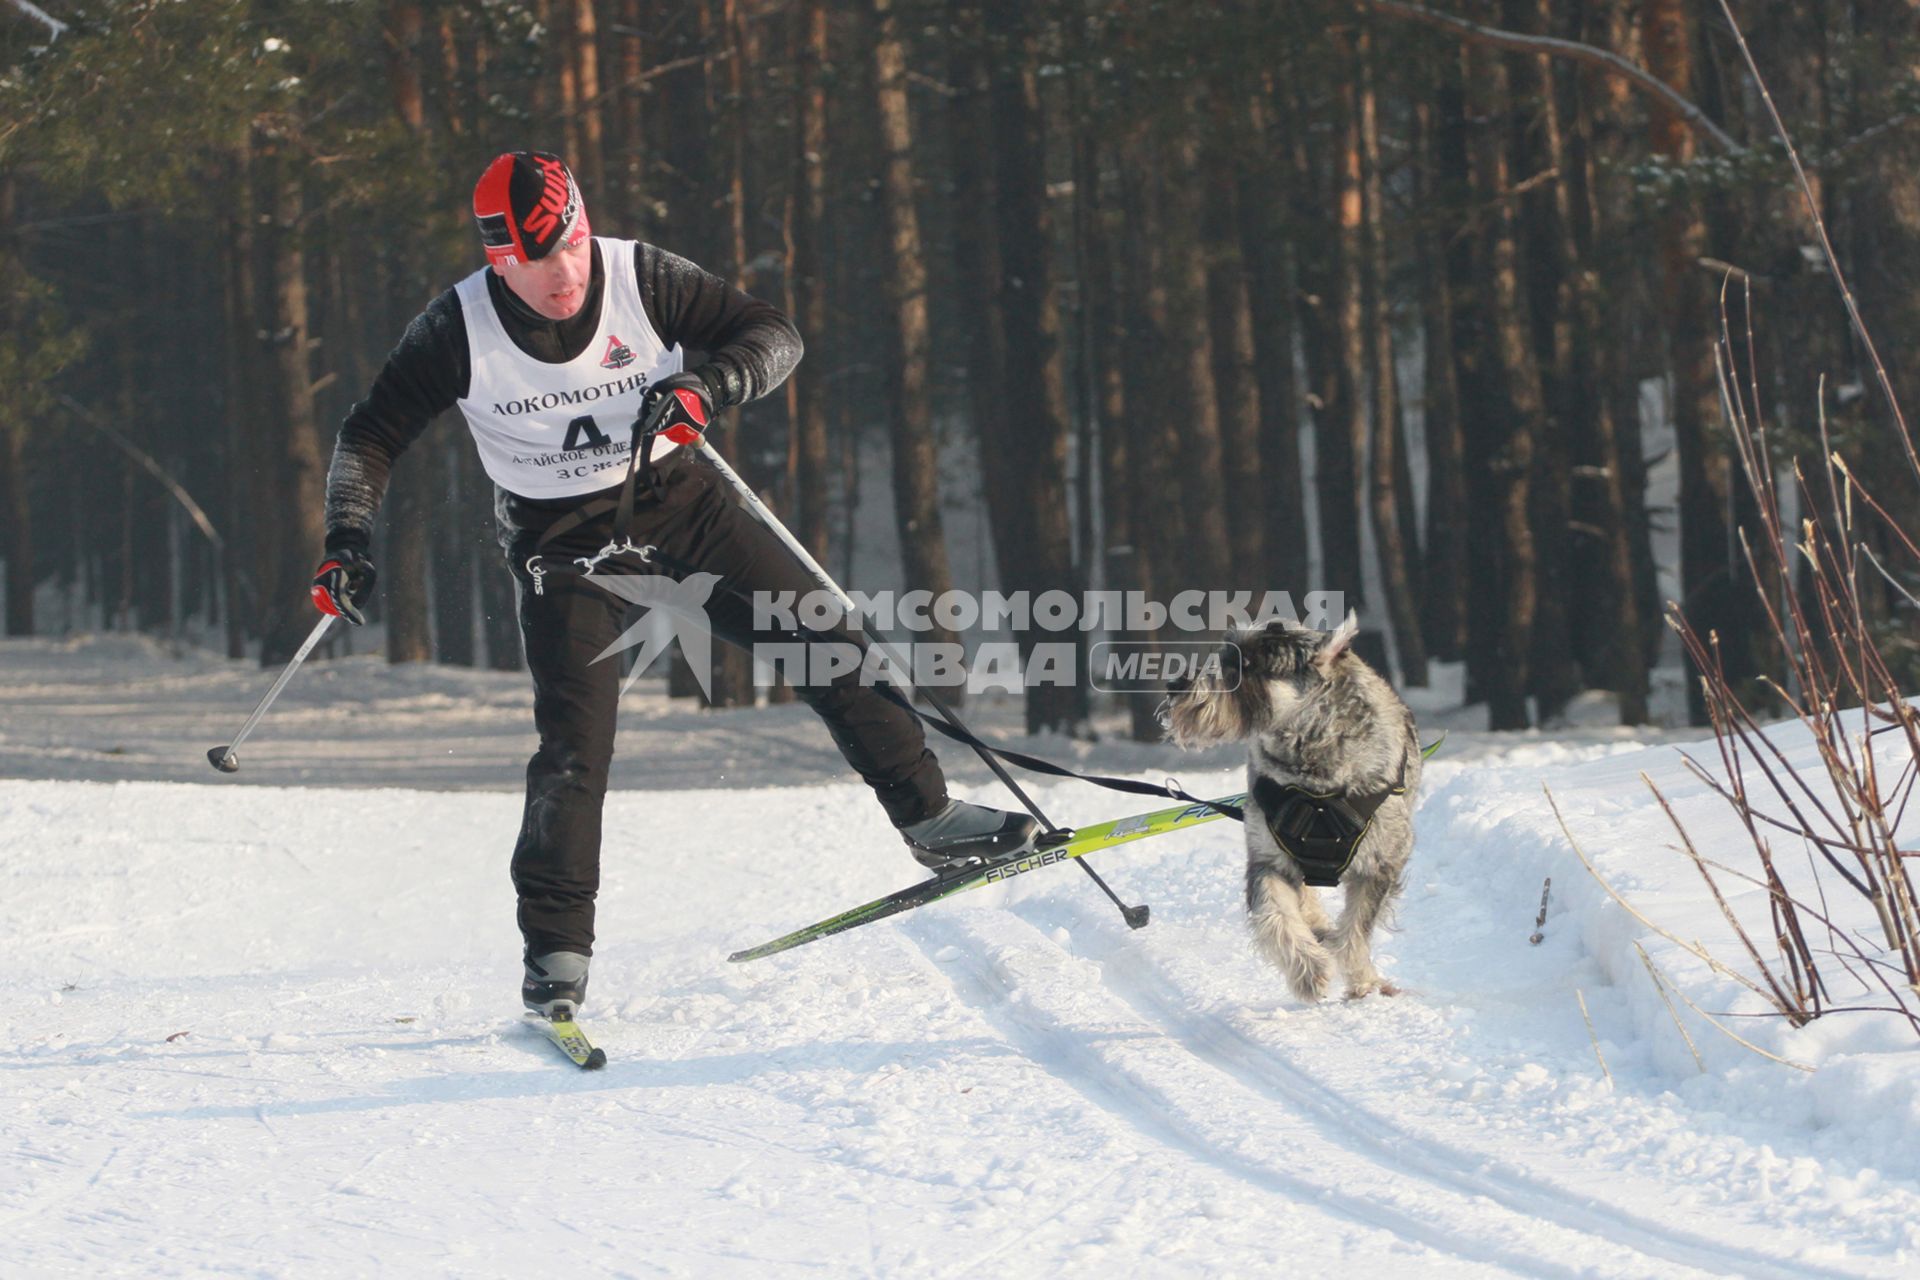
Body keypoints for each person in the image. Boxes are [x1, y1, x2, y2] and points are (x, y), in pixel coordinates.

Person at [314, 151, 1035, 1019]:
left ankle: (930, 820)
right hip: (563, 544)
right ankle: (556, 949)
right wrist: (346, 536)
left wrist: (710, 384)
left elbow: (774, 336)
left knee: (829, 640)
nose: (563, 275)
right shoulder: (457, 328)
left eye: (571, 247)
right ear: (498, 261)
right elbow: (369, 434)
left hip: (684, 502)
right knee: (576, 745)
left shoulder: (639, 274)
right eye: (535, 263)